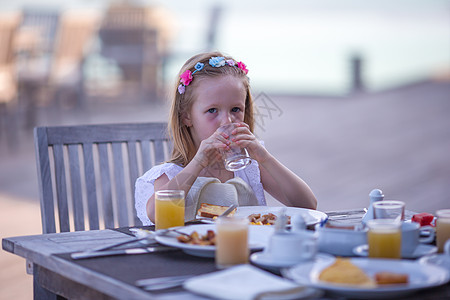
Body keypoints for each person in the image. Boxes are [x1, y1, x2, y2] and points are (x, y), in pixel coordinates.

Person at [135, 51, 317, 225]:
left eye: (235, 109)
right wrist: (198, 162)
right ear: (186, 117)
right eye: (212, 110)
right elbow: (156, 214)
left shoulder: (251, 167)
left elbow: (307, 205)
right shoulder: (170, 174)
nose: (227, 121)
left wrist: (265, 158)